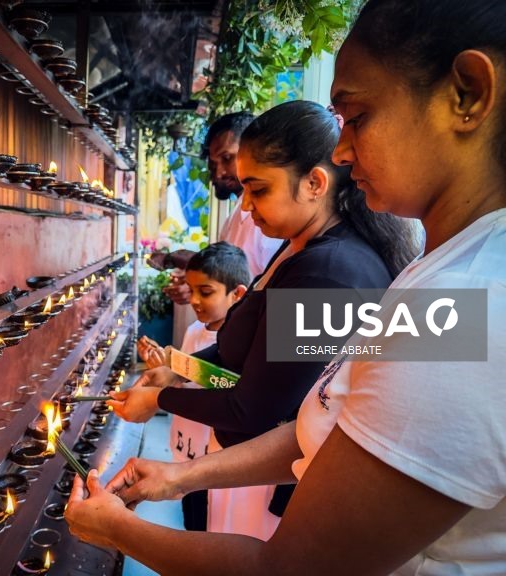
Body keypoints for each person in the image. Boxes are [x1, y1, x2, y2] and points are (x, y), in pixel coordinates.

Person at [65, 1, 506, 574]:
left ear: (466, 94)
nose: (344, 149)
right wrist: (181, 474)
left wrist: (121, 531)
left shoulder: (464, 301)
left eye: (357, 116)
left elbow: (292, 564)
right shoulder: (444, 273)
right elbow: (330, 419)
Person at [137, 242, 250, 531]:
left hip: (214, 456)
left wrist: (161, 391)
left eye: (206, 292)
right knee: (193, 515)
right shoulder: (193, 331)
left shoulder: (242, 347)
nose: (195, 300)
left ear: (237, 294)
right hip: (186, 447)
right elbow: (183, 380)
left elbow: (226, 394)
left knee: (211, 523)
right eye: (192, 290)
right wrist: (163, 367)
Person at [163, 112, 283, 306]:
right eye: (212, 164)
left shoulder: (272, 220)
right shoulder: (235, 215)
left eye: (227, 158)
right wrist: (200, 290)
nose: (218, 173)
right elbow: (229, 283)